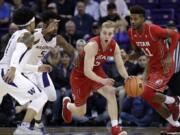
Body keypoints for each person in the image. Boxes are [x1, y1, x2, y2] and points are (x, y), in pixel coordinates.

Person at [62, 21, 129, 135]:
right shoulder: (92, 46)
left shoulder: (114, 46)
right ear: (100, 32)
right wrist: (103, 80)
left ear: (113, 34)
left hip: (96, 71)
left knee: (111, 93)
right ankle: (67, 105)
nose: (106, 36)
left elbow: (120, 66)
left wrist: (127, 77)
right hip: (80, 76)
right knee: (80, 112)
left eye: (110, 34)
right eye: (104, 33)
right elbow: (87, 71)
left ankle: (115, 128)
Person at [17, 10, 76, 134]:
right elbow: (18, 50)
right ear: (45, 26)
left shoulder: (58, 39)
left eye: (57, 25)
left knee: (52, 97)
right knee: (39, 96)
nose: (56, 28)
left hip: (39, 67)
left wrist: (77, 60)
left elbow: (72, 51)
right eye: (53, 25)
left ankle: (32, 113)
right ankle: (37, 124)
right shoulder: (35, 35)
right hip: (26, 69)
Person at [128, 5, 180, 134]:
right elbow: (137, 53)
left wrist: (169, 55)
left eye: (136, 19)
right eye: (131, 19)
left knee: (145, 92)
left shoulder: (153, 30)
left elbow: (175, 35)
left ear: (143, 19)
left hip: (165, 66)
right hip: (153, 67)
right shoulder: (131, 32)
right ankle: (175, 124)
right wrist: (128, 57)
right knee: (148, 98)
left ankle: (174, 101)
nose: (133, 21)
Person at [0, 7, 50, 135]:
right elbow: (18, 53)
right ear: (31, 22)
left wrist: (37, 68)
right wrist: (12, 69)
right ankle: (24, 128)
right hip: (8, 72)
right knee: (41, 96)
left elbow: (20, 62)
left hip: (2, 71)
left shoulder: (17, 34)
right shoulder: (25, 35)